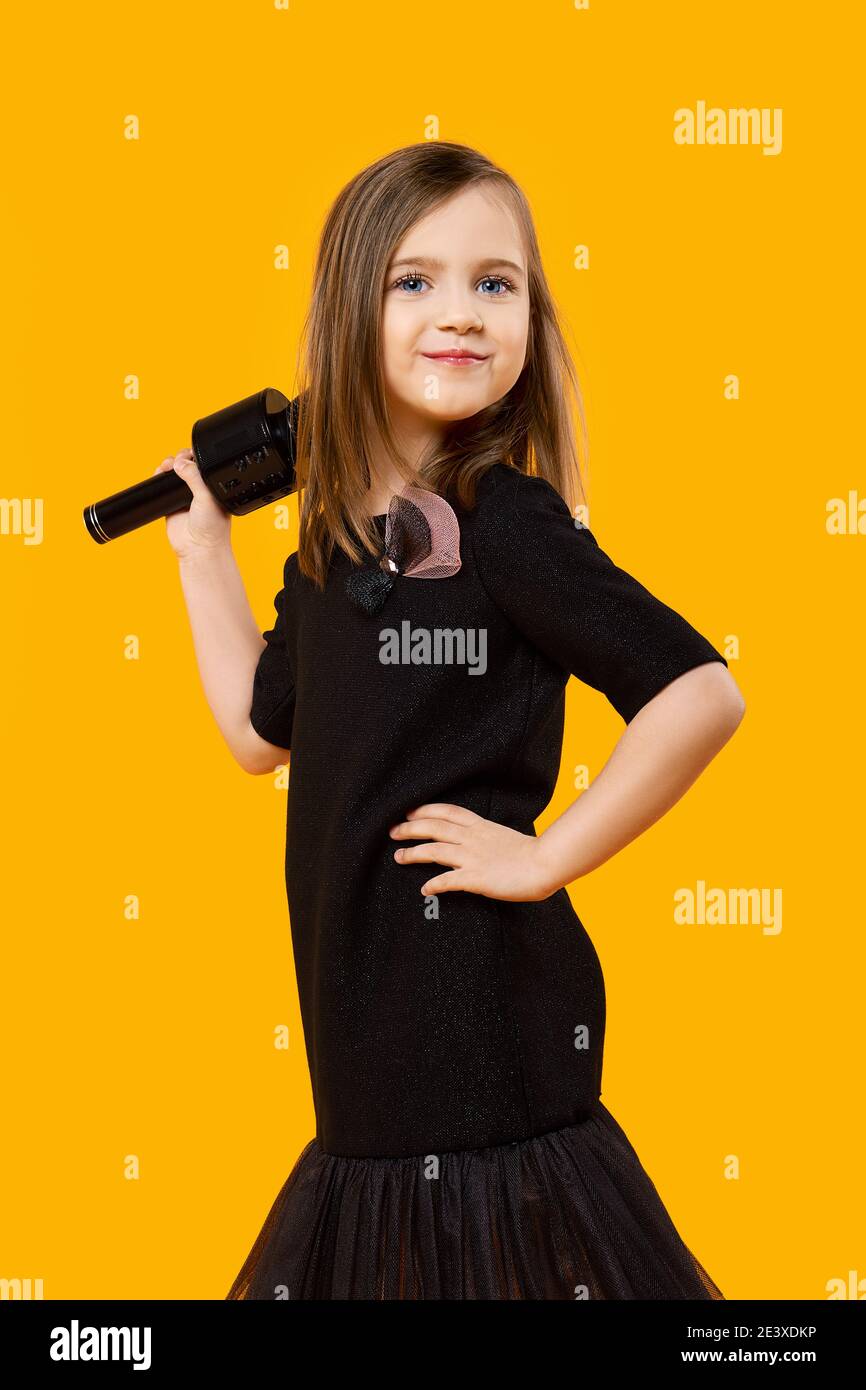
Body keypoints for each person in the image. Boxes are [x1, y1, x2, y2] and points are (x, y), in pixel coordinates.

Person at [157, 142, 745, 1299]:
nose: (461, 313)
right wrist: (198, 551)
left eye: (495, 283)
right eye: (413, 281)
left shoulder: (503, 518)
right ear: (347, 312)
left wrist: (546, 858)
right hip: (365, 1070)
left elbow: (698, 692)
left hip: (481, 1050)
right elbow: (255, 731)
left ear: (531, 317)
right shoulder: (332, 547)